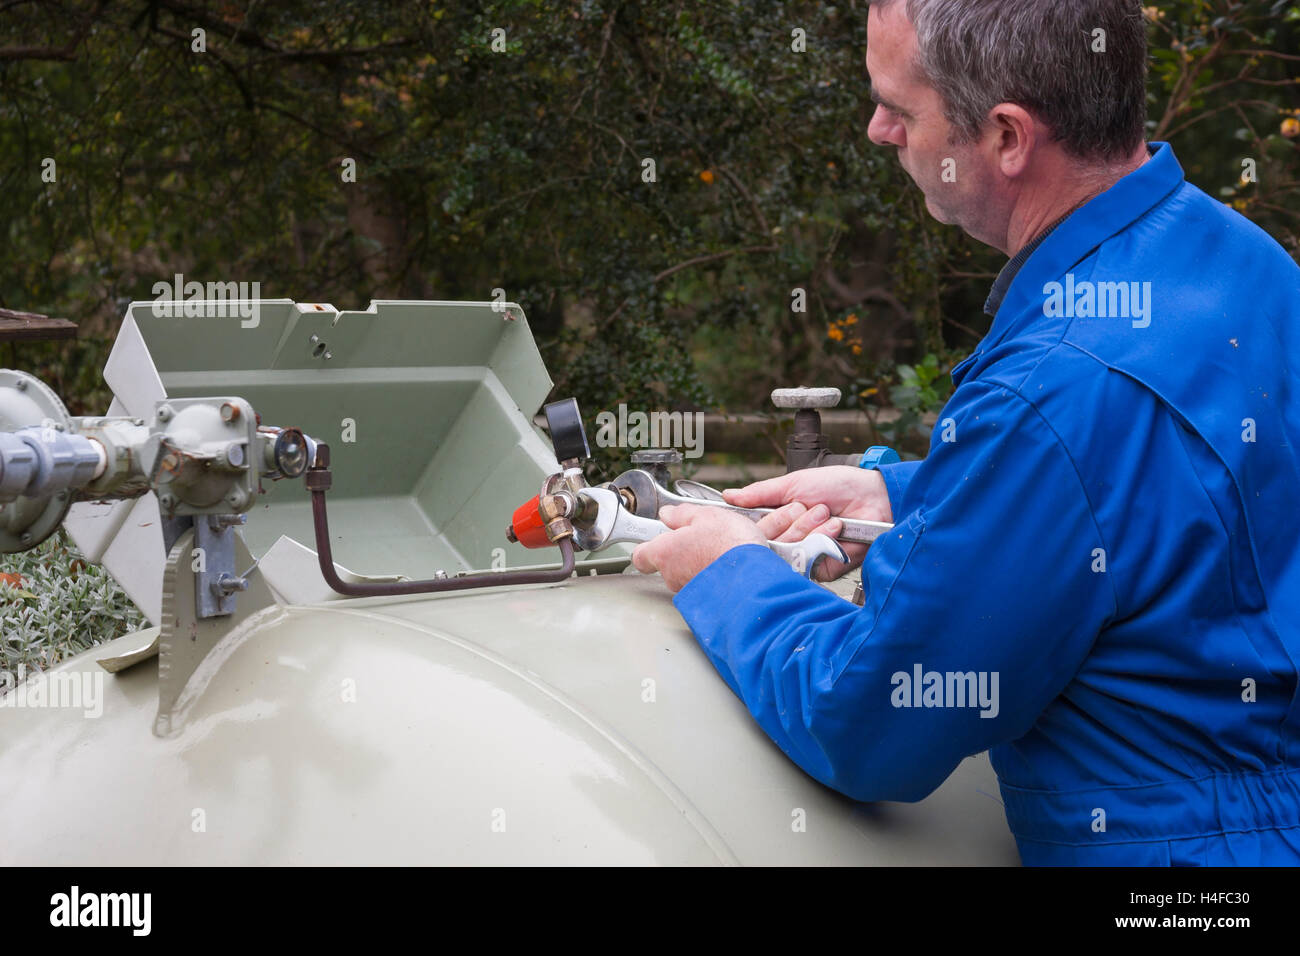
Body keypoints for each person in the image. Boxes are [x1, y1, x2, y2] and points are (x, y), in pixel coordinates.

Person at [631, 0, 1300, 865]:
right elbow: (1180, 488)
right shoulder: (1248, 264)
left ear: (1008, 137)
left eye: (900, 110)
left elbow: (880, 724)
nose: (877, 131)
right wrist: (909, 494)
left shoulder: (1053, 389)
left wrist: (727, 576)